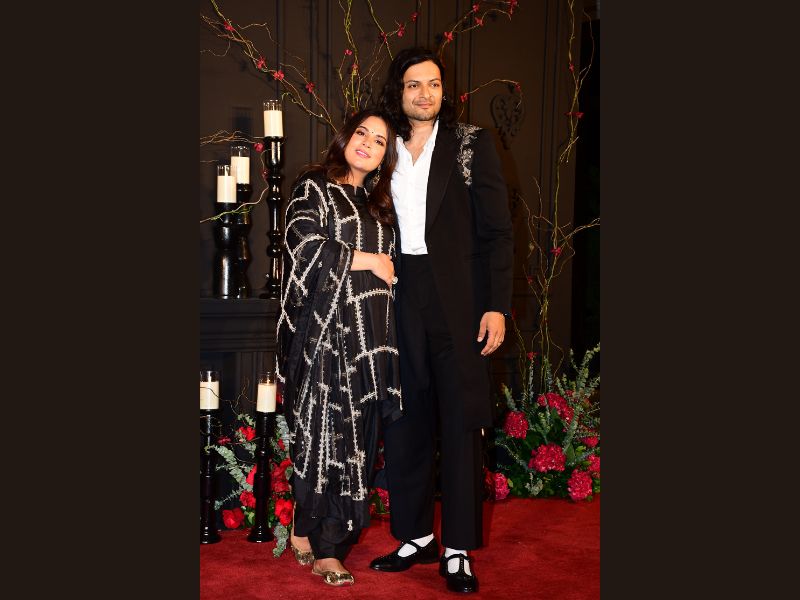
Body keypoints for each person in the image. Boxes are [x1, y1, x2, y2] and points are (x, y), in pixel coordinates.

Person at [369, 47, 513, 594]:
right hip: (398, 292)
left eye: (433, 83)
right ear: (399, 91)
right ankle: (415, 536)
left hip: (460, 300)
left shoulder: (471, 144)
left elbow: (498, 232)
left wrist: (497, 305)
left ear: (443, 90)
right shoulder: (382, 147)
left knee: (459, 422)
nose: (425, 93)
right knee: (404, 418)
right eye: (414, 84)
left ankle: (456, 548)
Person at [276, 108, 403, 587]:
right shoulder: (314, 187)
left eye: (379, 140)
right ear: (346, 138)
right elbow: (304, 245)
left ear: (385, 156)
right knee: (322, 438)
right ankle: (323, 545)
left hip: (370, 345)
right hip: (322, 338)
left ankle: (320, 532)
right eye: (361, 133)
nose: (367, 143)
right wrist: (370, 260)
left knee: (358, 446)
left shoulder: (381, 206)